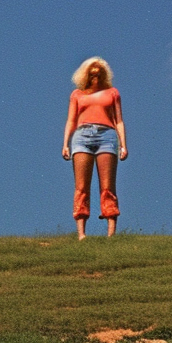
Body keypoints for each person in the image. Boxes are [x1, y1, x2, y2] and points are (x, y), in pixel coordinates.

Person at [62, 56, 127, 239]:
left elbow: (119, 121)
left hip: (107, 136)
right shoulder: (77, 94)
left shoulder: (113, 92)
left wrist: (123, 145)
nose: (95, 78)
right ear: (85, 75)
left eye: (99, 74)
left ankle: (111, 232)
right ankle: (81, 234)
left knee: (108, 186)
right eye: (91, 74)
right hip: (81, 137)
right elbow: (71, 120)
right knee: (81, 187)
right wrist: (65, 144)